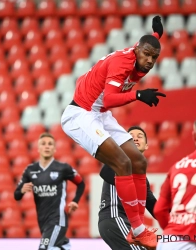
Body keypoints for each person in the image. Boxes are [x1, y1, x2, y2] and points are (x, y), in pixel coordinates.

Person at [61, 16, 166, 249]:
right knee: (122, 162)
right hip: (81, 114)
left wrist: (157, 34)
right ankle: (137, 229)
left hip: (100, 112)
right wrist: (139, 95)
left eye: (154, 57)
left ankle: (139, 226)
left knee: (138, 161)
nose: (149, 61)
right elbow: (109, 97)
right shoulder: (122, 63)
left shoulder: (141, 54)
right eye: (146, 55)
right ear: (137, 50)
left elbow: (149, 43)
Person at [14, 133, 85, 250]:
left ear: (54, 148)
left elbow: (81, 183)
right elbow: (16, 196)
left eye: (50, 144)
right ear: (38, 148)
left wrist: (75, 201)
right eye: (43, 144)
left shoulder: (63, 168)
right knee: (56, 246)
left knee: (44, 248)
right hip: (42, 220)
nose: (47, 146)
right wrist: (21, 190)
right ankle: (64, 246)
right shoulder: (30, 170)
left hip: (58, 218)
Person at [98, 126, 157, 250]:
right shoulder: (120, 163)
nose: (135, 139)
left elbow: (152, 205)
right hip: (114, 217)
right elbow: (104, 172)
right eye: (130, 137)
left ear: (146, 146)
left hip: (127, 224)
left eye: (140, 136)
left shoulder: (142, 179)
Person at [154, 121, 196, 250]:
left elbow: (159, 210)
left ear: (194, 136)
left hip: (168, 241)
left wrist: (176, 230)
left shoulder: (176, 167)